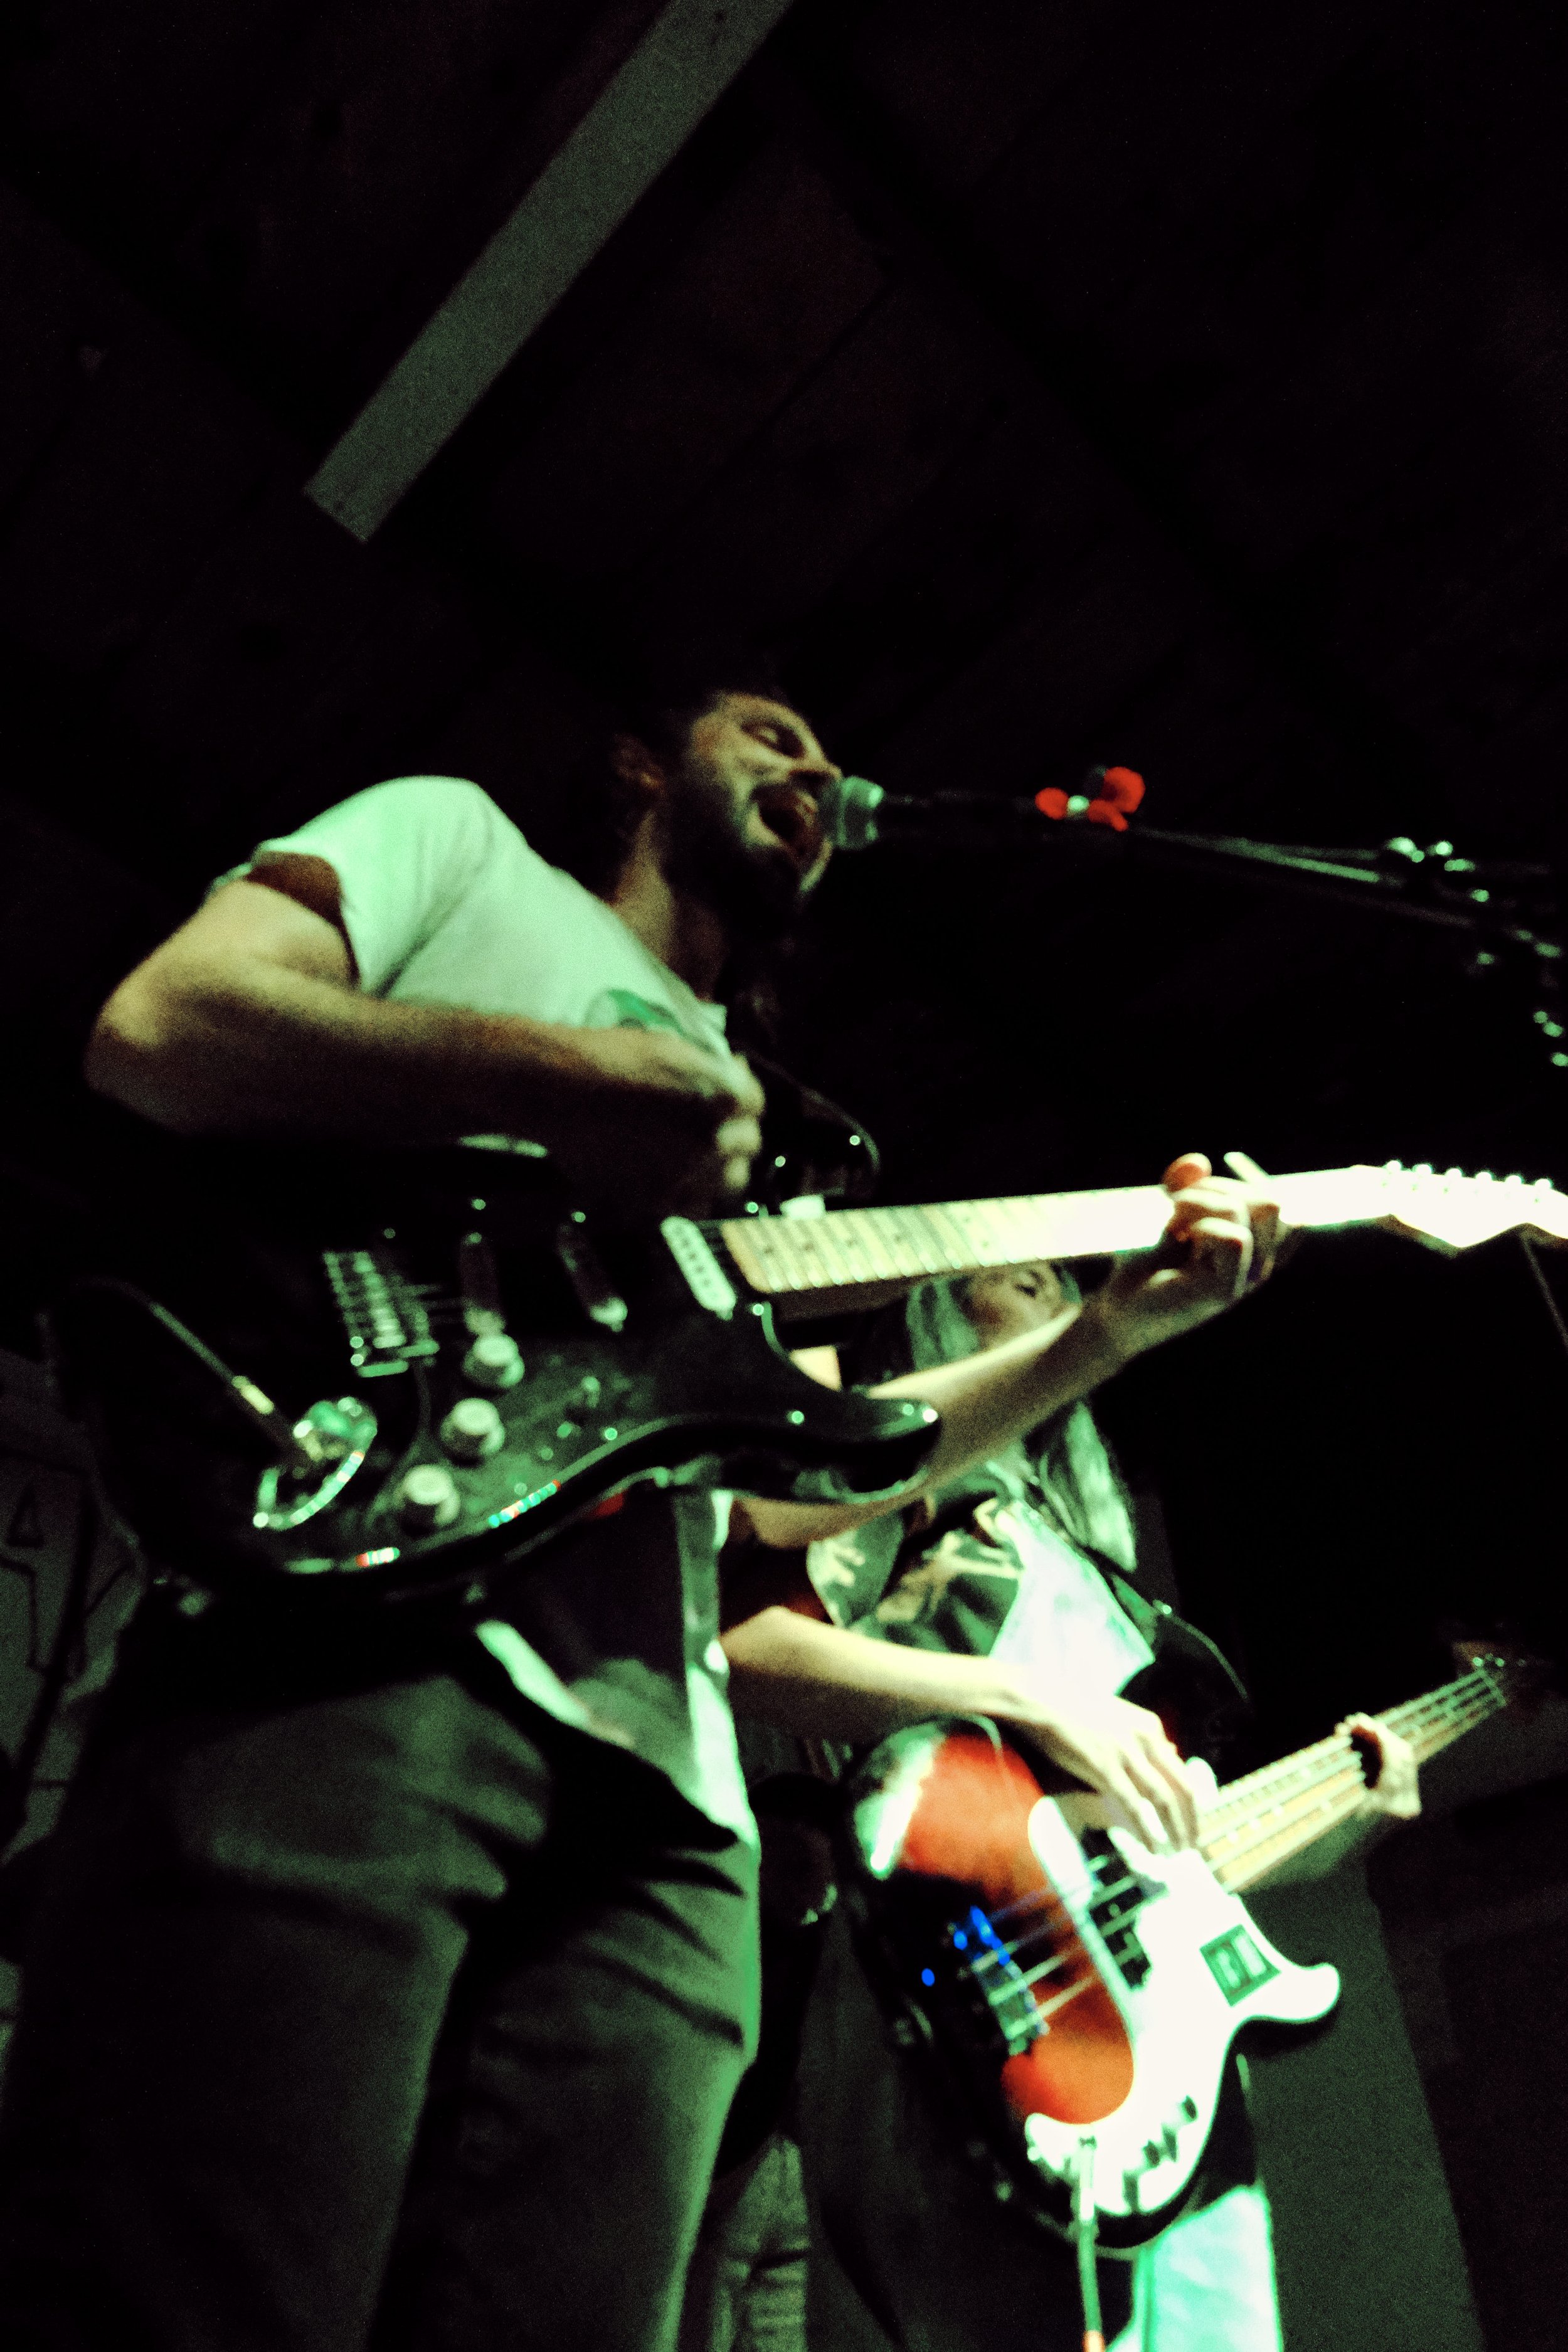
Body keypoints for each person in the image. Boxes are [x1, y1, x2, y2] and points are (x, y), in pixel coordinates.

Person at [0, 679, 1296, 2352]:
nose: (816, 766)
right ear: (637, 764)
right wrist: (577, 1079)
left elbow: (792, 1480)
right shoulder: (455, 845)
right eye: (768, 731)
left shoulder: (780, 1133)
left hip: (676, 1822)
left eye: (832, 751)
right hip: (351, 1643)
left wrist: (1103, 1331)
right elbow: (166, 1026)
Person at [714, 1259, 1421, 2352]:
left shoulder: (1104, 1566)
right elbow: (740, 1646)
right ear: (933, 1302)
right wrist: (1022, 1696)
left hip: (1161, 2049)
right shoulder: (910, 1473)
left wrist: (1356, 1811)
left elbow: (1162, 1869)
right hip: (972, 2009)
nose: (1063, 1287)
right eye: (1022, 1272)